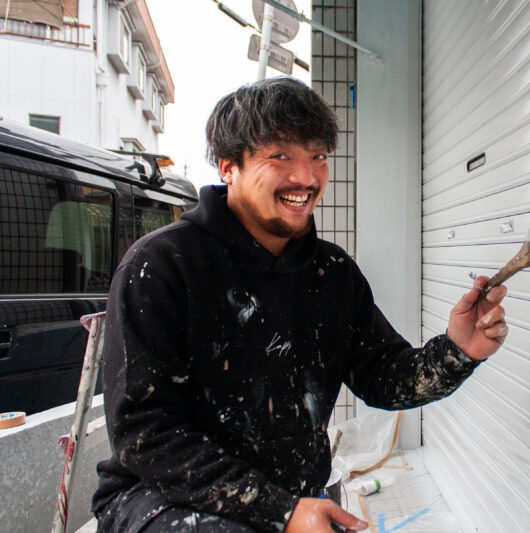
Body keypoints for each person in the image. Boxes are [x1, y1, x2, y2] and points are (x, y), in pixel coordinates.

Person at [92, 77, 508, 533]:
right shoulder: (162, 266)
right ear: (228, 166)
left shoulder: (332, 274)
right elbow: (145, 433)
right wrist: (281, 510)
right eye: (280, 156)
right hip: (163, 498)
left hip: (292, 499)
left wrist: (457, 351)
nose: (306, 178)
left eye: (318, 156)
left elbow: (383, 377)